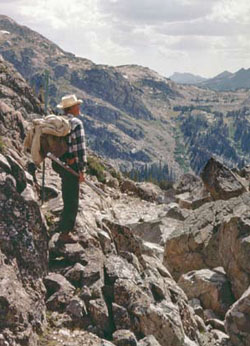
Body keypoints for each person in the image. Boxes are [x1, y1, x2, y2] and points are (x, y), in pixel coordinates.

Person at [54, 94, 87, 244]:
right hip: (72, 164)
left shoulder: (60, 121)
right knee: (72, 199)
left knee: (66, 194)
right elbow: (80, 148)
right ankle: (65, 233)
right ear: (72, 108)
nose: (79, 107)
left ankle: (62, 225)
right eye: (77, 105)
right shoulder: (76, 123)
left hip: (59, 162)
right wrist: (82, 169)